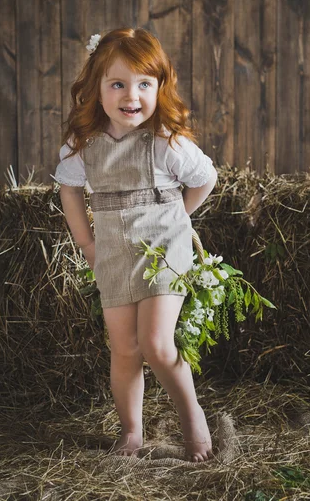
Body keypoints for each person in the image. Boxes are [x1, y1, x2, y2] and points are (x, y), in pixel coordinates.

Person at [53, 27, 218, 462]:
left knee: (157, 344)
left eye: (145, 83)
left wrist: (179, 216)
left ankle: (192, 417)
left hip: (164, 249)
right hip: (112, 253)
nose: (132, 95)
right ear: (97, 89)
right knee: (124, 348)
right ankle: (131, 432)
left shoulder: (165, 141)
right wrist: (86, 242)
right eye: (118, 84)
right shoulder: (83, 145)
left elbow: (205, 179)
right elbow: (69, 190)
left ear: (160, 87)